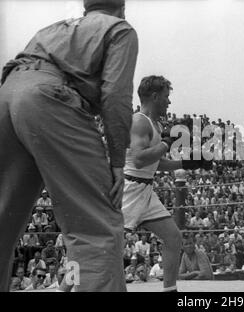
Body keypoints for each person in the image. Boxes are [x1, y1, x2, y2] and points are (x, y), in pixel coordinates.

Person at [0, 0, 138, 292]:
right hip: (50, 99)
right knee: (95, 226)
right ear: (122, 8)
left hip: (7, 95)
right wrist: (116, 161)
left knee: (4, 218)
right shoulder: (119, 29)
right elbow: (116, 95)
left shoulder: (51, 29)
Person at [121, 75, 212, 292]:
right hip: (128, 191)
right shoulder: (139, 121)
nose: (169, 102)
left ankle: (170, 290)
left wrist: (188, 163)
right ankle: (63, 289)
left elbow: (156, 163)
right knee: (99, 246)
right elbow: (140, 158)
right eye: (165, 97)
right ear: (154, 96)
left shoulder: (155, 124)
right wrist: (166, 142)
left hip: (146, 191)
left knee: (173, 237)